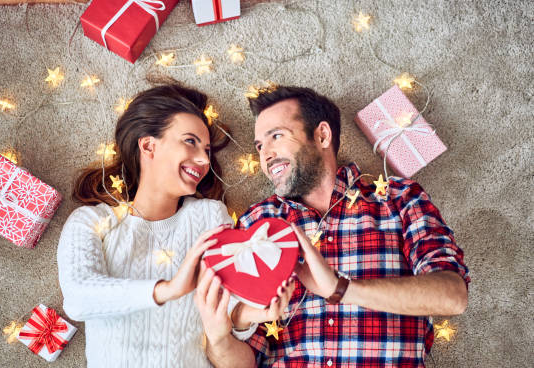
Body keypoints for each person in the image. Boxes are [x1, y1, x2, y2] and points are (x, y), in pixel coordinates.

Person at [195, 86, 470, 367]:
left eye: (276, 136)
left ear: (322, 135)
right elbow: (245, 361)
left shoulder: (398, 199)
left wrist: (341, 288)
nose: (266, 154)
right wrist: (218, 338)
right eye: (259, 146)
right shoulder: (257, 224)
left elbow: (453, 295)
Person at [57, 84, 236, 367]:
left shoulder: (209, 217)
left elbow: (231, 306)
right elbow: (79, 300)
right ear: (148, 145)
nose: (204, 160)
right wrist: (168, 289)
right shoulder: (91, 221)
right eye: (190, 141)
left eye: (207, 150)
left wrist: (261, 309)